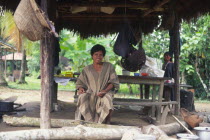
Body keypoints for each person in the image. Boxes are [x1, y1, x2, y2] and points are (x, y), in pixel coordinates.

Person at [75, 44, 119, 124]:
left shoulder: (109, 67)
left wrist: (104, 91)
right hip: (90, 93)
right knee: (82, 97)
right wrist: (80, 89)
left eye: (101, 55)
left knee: (107, 100)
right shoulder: (87, 69)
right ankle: (89, 121)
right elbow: (80, 83)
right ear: (92, 56)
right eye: (96, 54)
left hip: (105, 92)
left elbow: (113, 82)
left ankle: (105, 122)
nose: (98, 57)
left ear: (103, 56)